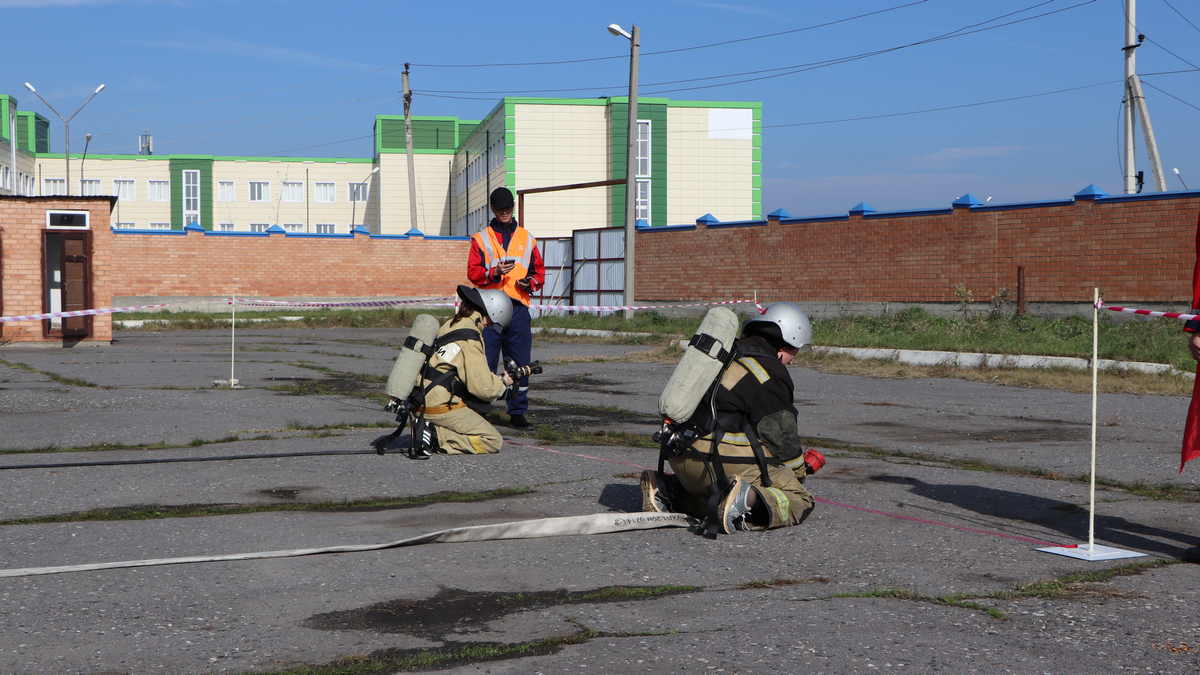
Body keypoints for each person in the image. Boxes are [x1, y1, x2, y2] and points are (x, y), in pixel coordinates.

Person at [640, 302, 826, 535]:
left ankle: (668, 489)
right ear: (785, 342)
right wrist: (797, 472)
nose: (793, 359)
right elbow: (781, 437)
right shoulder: (769, 372)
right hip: (716, 462)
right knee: (798, 498)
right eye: (795, 350)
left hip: (681, 459)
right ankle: (745, 499)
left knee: (716, 499)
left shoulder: (725, 354)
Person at [466, 186, 546, 428]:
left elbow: (539, 273)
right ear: (493, 209)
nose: (505, 213)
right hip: (490, 310)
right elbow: (473, 273)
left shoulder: (527, 238)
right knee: (486, 362)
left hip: (518, 307)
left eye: (508, 209)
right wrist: (494, 272)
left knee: (520, 362)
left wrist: (529, 282)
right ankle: (480, 409)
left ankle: (517, 411)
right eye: (500, 209)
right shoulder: (481, 239)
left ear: (512, 207)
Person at [410, 285, 517, 456]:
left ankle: (429, 429)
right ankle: (437, 436)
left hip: (420, 398)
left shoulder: (451, 324)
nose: (489, 326)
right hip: (439, 405)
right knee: (492, 440)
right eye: (491, 322)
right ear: (491, 313)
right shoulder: (470, 337)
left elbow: (459, 368)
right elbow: (482, 387)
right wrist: (502, 386)